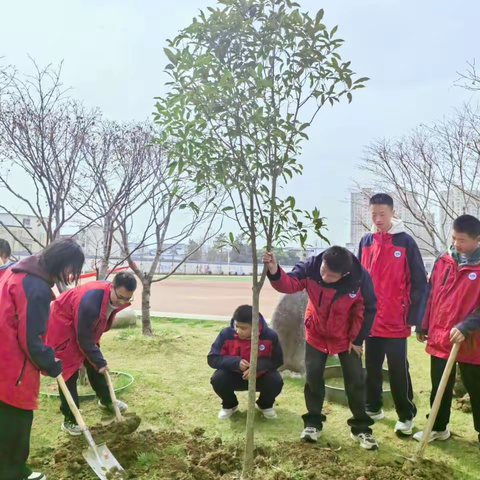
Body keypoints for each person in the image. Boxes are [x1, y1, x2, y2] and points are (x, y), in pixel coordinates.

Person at [264, 246, 378, 450]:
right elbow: (289, 284)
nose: (324, 277)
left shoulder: (359, 279)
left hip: (346, 337)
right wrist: (274, 270)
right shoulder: (311, 267)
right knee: (313, 379)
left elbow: (368, 308)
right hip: (316, 333)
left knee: (355, 381)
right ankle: (313, 424)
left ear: (344, 274)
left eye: (331, 276)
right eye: (323, 271)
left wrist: (358, 339)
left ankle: (361, 428)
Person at [0, 238, 85, 480]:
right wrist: (52, 363)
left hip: (4, 355)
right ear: (62, 262)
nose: (71, 275)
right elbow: (31, 339)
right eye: (72, 269)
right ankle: (14, 472)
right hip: (12, 365)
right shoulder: (35, 288)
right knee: (17, 419)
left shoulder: (16, 270)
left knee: (5, 417)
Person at [358, 193, 427, 435]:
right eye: (373, 214)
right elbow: (359, 279)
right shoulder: (365, 241)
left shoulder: (405, 242)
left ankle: (406, 415)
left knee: (398, 369)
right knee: (372, 367)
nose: (377, 219)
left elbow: (419, 282)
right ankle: (373, 407)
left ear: (393, 213)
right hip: (370, 319)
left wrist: (415, 319)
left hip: (396, 321)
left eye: (382, 214)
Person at [414, 215, 480, 444]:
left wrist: (466, 326)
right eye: (453, 238)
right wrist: (423, 324)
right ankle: (437, 427)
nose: (456, 244)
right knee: (439, 386)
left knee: (477, 389)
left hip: (473, 342)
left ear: (477, 239)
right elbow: (430, 294)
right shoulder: (443, 260)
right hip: (442, 336)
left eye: (461, 240)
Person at [46, 271, 137, 435]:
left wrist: (98, 361)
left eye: (128, 299)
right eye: (121, 297)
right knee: (68, 372)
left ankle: (107, 401)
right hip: (62, 324)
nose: (123, 302)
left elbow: (88, 337)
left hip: (83, 325)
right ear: (112, 287)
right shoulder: (90, 302)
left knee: (95, 363)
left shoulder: (112, 296)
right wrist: (100, 361)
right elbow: (83, 339)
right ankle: (71, 419)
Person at [208, 305, 284, 420]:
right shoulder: (226, 334)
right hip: (234, 375)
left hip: (260, 377)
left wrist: (257, 367)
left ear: (255, 325)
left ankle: (265, 405)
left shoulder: (270, 336)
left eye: (243, 328)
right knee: (217, 379)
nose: (238, 331)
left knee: (276, 381)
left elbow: (277, 360)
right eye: (237, 326)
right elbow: (212, 358)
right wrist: (235, 362)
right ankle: (230, 405)